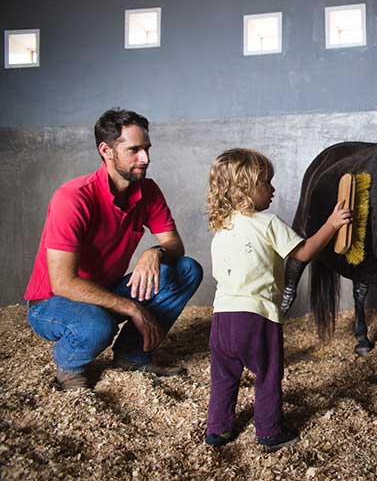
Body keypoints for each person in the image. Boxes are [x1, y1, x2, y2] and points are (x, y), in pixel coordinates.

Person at [24, 108, 203, 390]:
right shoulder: (72, 198)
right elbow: (62, 282)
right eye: (134, 150)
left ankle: (132, 357)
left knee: (186, 270)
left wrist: (155, 252)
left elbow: (174, 245)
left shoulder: (149, 190)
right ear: (106, 150)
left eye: (146, 149)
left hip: (104, 291)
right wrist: (133, 308)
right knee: (97, 326)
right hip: (51, 302)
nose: (145, 158)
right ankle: (69, 367)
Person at [204, 148, 350, 451]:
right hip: (256, 317)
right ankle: (269, 432)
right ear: (246, 188)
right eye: (266, 183)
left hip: (221, 318)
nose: (273, 190)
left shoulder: (222, 228)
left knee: (223, 376)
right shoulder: (267, 223)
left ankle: (218, 430)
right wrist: (333, 224)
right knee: (268, 374)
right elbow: (304, 253)